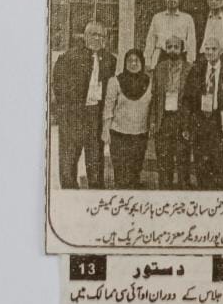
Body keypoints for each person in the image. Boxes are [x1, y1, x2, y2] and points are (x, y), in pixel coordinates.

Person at [52, 21, 116, 189]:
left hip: (95, 115)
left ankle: (95, 195)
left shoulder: (110, 60)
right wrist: (66, 110)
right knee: (69, 159)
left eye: (101, 35)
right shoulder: (70, 57)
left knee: (95, 159)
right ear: (85, 36)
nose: (98, 38)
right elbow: (58, 84)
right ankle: (69, 195)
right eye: (94, 34)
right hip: (73, 115)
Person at [181, 37, 223, 189]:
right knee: (202, 163)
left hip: (221, 120)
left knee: (222, 162)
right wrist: (186, 124)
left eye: (214, 49)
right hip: (201, 120)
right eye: (207, 49)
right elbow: (187, 99)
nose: (210, 52)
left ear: (221, 51)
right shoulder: (197, 70)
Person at [101, 49, 151, 189]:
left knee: (135, 170)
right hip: (119, 134)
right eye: (130, 60)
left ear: (142, 62)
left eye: (136, 60)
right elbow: (108, 107)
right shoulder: (115, 82)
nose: (133, 63)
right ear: (124, 63)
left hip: (140, 133)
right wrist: (106, 130)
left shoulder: (149, 82)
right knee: (121, 174)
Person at [149, 35, 192, 188]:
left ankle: (183, 191)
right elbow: (154, 97)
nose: (172, 50)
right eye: (169, 47)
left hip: (182, 120)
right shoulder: (159, 68)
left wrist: (189, 124)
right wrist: (153, 121)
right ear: (166, 49)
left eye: (176, 47)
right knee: (163, 160)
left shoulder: (190, 69)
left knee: (182, 159)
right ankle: (165, 190)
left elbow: (192, 99)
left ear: (182, 49)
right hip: (164, 119)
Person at [144, 0, 197, 69]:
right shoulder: (157, 17)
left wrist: (190, 61)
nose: (171, 0)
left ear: (179, 0)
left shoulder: (187, 18)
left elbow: (191, 42)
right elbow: (151, 40)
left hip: (180, 57)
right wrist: (147, 61)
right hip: (161, 56)